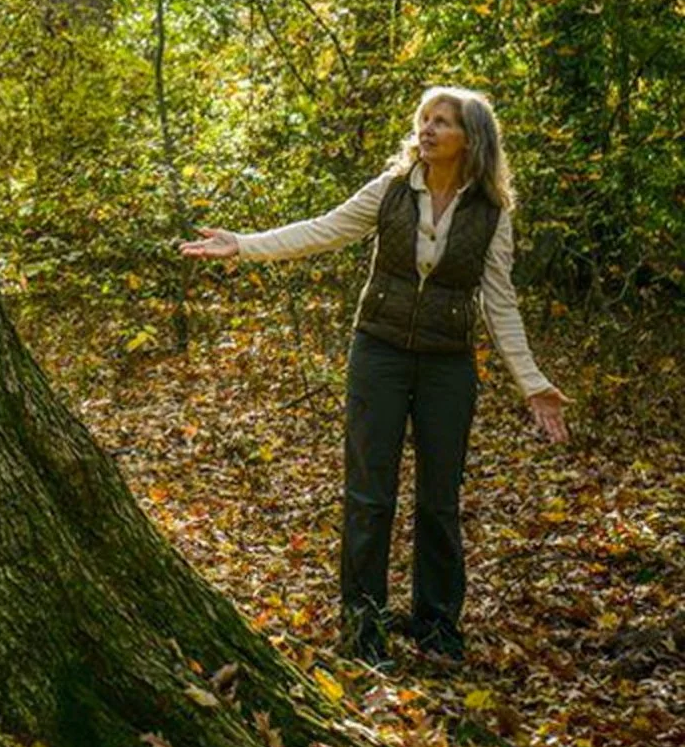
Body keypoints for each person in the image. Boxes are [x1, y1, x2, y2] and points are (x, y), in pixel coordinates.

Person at [179, 86, 569, 668]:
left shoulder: (491, 214)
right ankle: (363, 626)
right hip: (378, 354)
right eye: (425, 119)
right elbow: (322, 230)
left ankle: (437, 627)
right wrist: (243, 245)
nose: (428, 129)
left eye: (443, 122)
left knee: (439, 501)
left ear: (472, 139)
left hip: (447, 364)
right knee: (369, 495)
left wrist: (532, 382)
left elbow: (499, 302)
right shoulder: (391, 190)